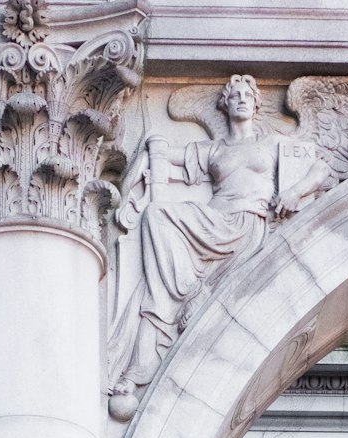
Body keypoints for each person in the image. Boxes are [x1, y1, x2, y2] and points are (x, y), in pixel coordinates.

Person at [109, 73, 329, 416]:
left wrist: (293, 192)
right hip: (213, 223)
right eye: (235, 95)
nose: (241, 99)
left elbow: (320, 168)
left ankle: (186, 297)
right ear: (224, 104)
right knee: (156, 215)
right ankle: (188, 289)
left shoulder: (273, 144)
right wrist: (151, 144)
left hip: (248, 226)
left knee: (160, 224)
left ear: (256, 105)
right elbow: (166, 160)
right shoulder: (213, 150)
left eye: (247, 95)